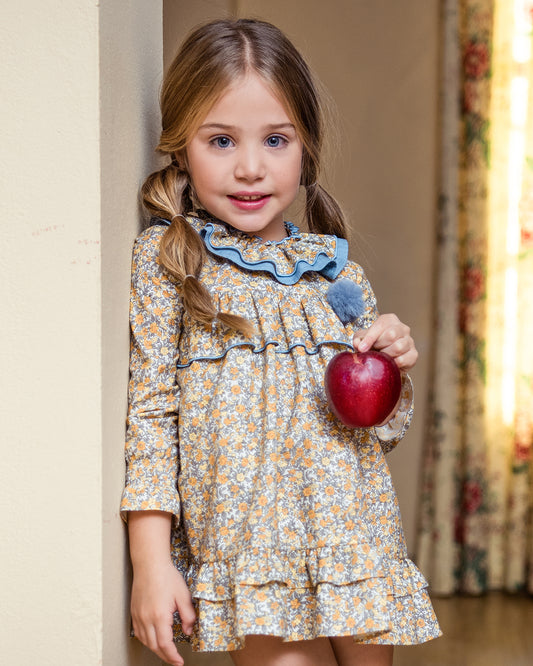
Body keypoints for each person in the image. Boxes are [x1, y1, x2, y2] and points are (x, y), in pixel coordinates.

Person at [121, 18, 441, 666]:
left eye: (274, 139)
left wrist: (390, 366)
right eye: (220, 140)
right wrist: (150, 562)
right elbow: (151, 417)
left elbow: (374, 430)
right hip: (253, 551)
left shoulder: (337, 277)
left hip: (350, 540)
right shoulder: (171, 260)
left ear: (305, 148)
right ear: (181, 149)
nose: (250, 167)